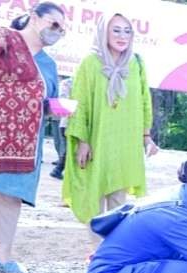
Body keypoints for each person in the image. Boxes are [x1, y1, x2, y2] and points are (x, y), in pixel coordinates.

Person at [0, 2, 65, 273]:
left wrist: (59, 107)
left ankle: (3, 258)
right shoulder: (3, 38)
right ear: (34, 17)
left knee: (10, 199)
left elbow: (45, 104)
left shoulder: (49, 65)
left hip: (23, 145)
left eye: (62, 29)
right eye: (53, 23)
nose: (57, 30)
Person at [63, 14, 158, 237]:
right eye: (116, 30)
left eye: (127, 31)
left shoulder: (136, 63)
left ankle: (111, 252)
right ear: (103, 31)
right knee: (92, 195)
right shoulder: (90, 62)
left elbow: (144, 100)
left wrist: (146, 136)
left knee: (118, 201)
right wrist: (82, 140)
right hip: (97, 139)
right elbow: (81, 101)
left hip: (125, 142)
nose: (122, 36)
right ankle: (95, 252)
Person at [50, 76, 73, 180]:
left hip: (66, 122)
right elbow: (63, 101)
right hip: (68, 123)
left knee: (69, 150)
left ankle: (58, 169)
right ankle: (58, 169)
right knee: (70, 150)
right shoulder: (67, 83)